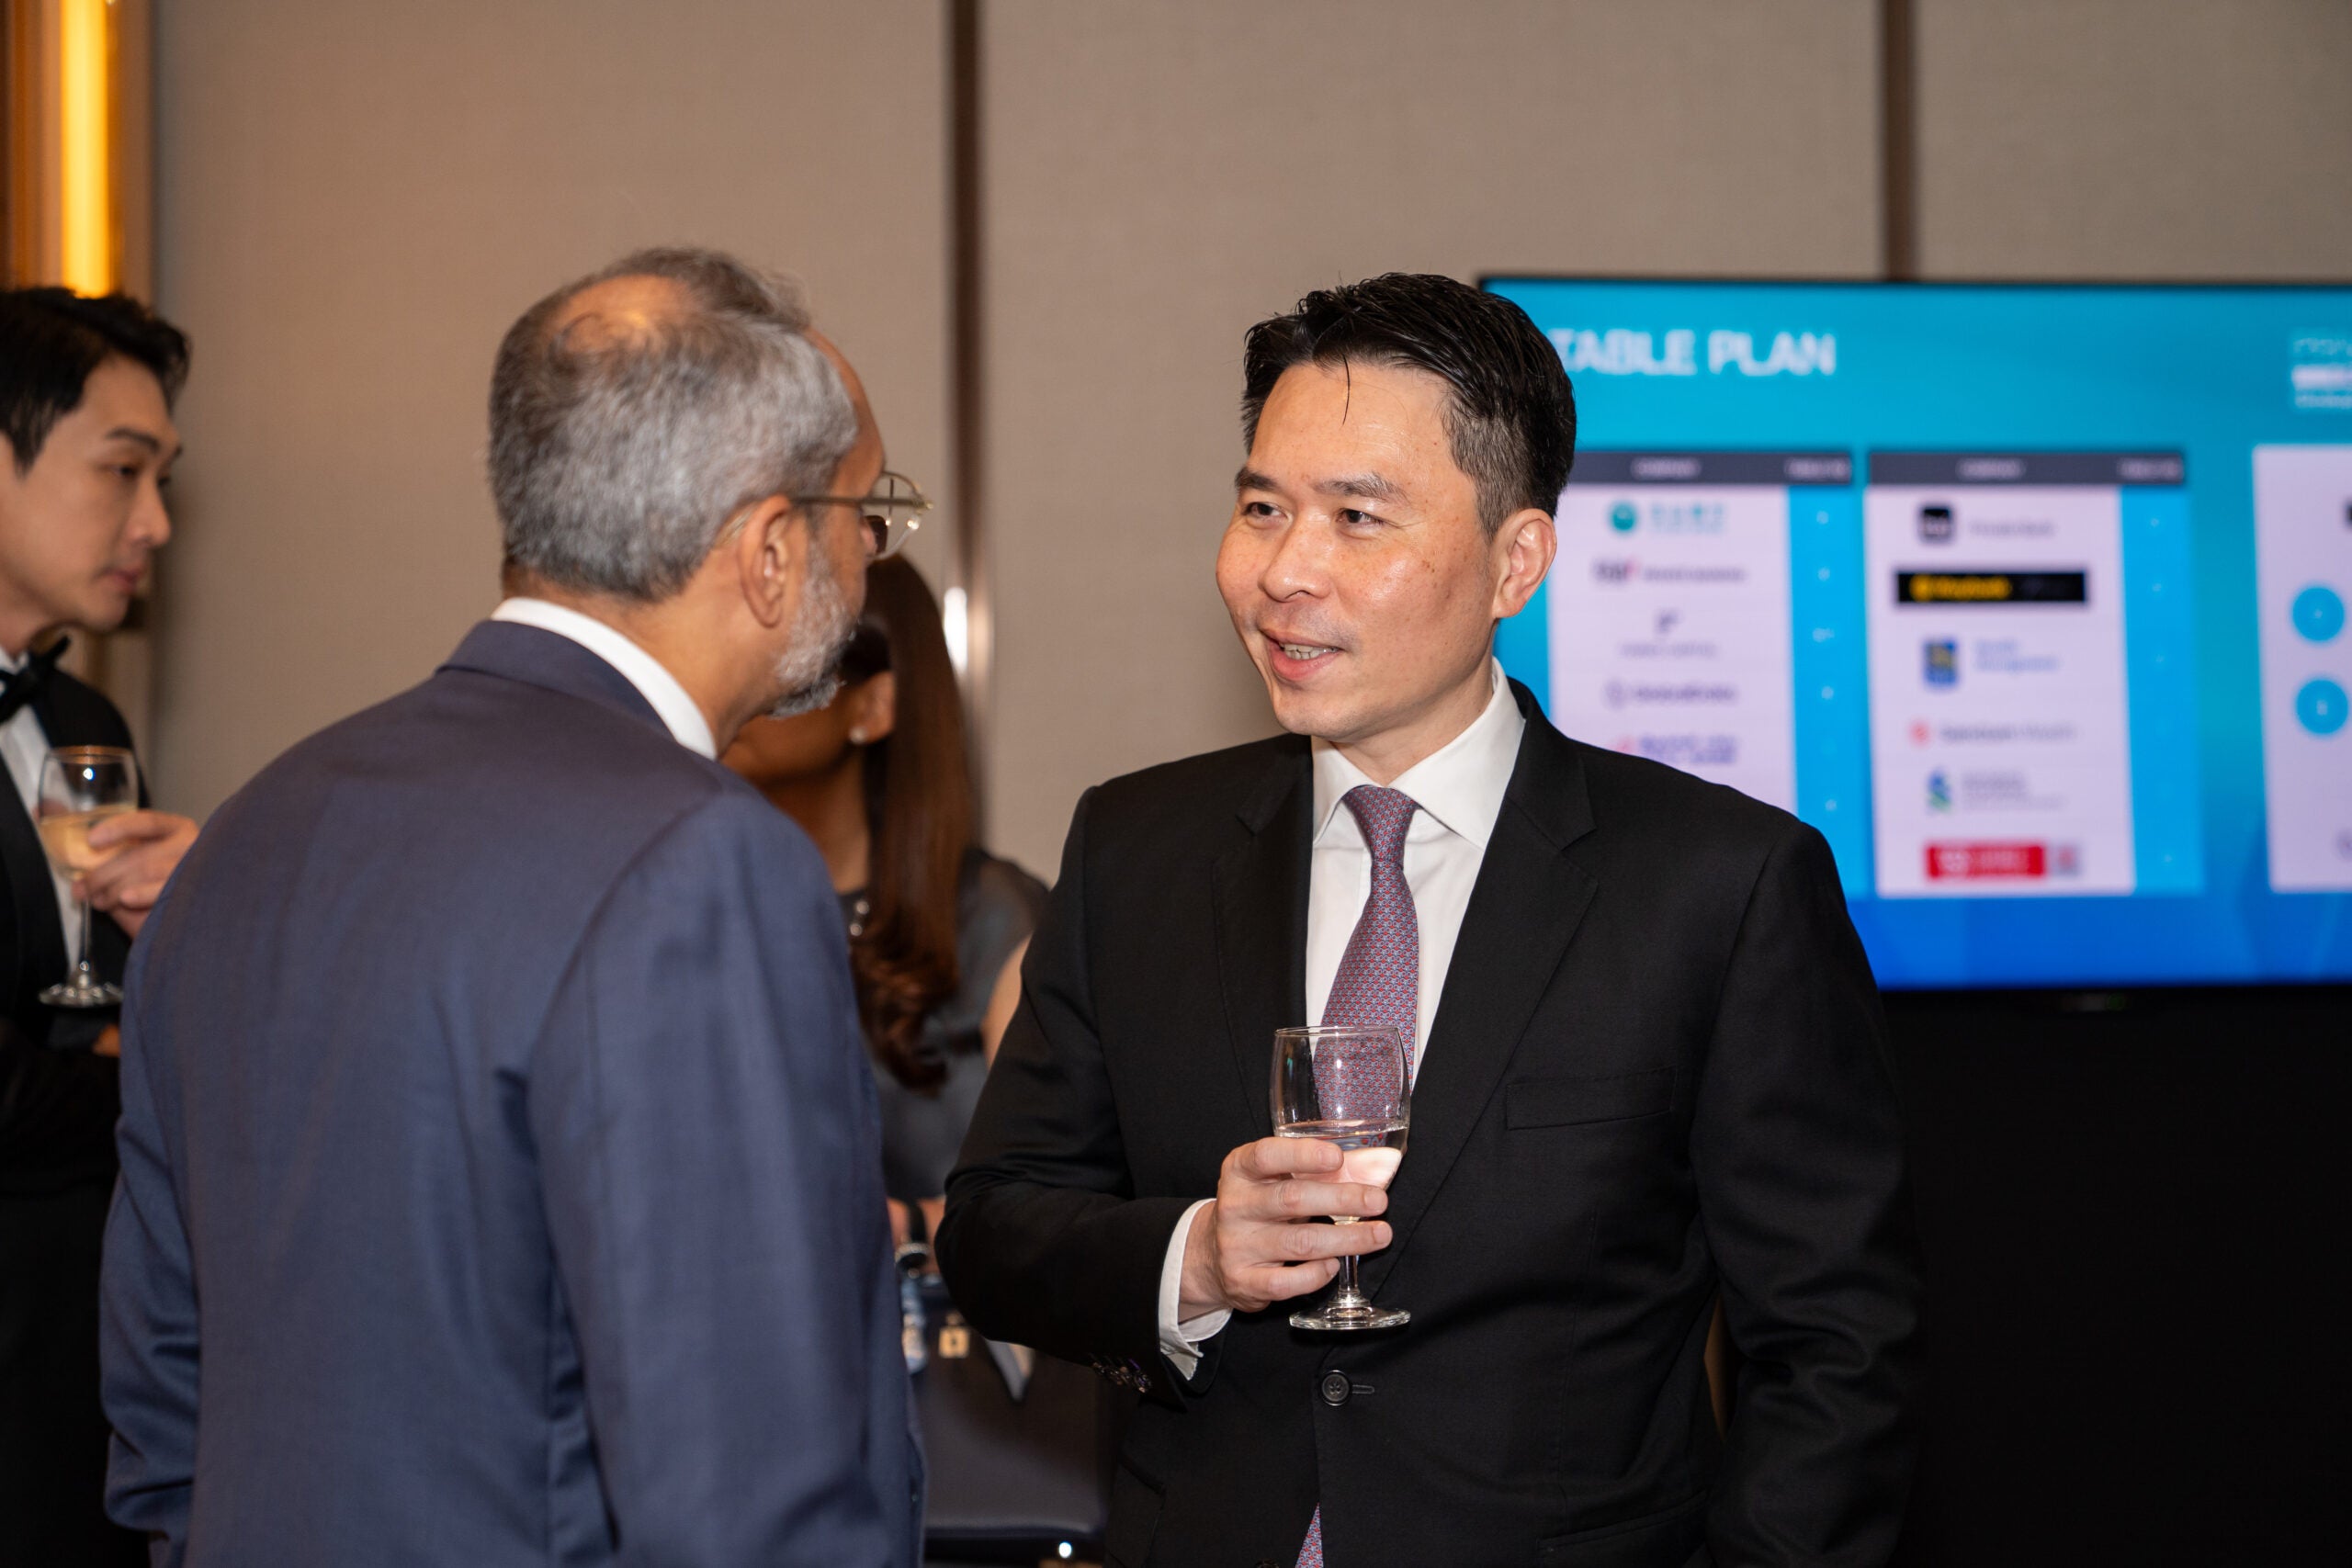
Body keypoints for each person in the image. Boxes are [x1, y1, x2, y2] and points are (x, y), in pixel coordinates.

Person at [938, 274, 1922, 1567]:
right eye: (1262, 508)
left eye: (1357, 517)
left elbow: (1837, 1346)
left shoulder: (1717, 885)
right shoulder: (1138, 850)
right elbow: (994, 1226)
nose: (1283, 571)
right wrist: (1197, 1255)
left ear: (1516, 561)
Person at [100, 248, 922, 1567]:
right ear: (771, 552)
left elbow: (162, 1405)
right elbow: (742, 1492)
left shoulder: (251, 828)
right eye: (861, 509)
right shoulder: (703, 862)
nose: (869, 550)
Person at [0, 287, 201, 1566]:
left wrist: (190, 929)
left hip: (87, 1362)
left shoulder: (86, 725)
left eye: (162, 478)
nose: (157, 522)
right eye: (123, 470)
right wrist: (135, 1069)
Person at [725, 555, 1043, 1256]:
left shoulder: (995, 920)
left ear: (872, 708)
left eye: (782, 663)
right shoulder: (710, 902)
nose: (739, 684)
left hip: (947, 1314)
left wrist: (906, 1226)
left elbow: (1052, 1202)